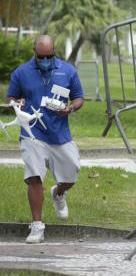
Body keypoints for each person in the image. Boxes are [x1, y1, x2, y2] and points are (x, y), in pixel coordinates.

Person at [7, 35, 84, 243]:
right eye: (42, 57)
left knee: (71, 173)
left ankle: (58, 193)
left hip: (59, 133)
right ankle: (37, 226)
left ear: (54, 52)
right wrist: (17, 102)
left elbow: (79, 97)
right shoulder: (22, 72)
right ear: (35, 52)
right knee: (34, 176)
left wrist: (70, 108)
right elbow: (11, 97)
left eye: (50, 56)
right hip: (32, 133)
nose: (46, 60)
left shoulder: (67, 70)